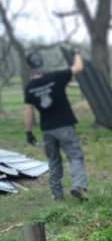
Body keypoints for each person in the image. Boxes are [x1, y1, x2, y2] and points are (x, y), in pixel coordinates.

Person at [24, 49, 89, 201]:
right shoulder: (56, 77)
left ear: (29, 67)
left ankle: (57, 195)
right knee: (75, 156)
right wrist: (77, 53)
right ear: (42, 61)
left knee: (53, 161)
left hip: (47, 129)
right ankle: (79, 187)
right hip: (65, 126)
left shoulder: (29, 87)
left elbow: (28, 111)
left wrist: (28, 132)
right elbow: (78, 67)